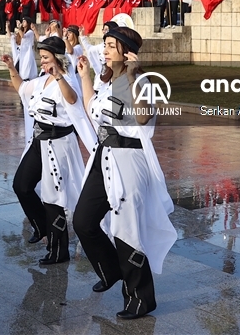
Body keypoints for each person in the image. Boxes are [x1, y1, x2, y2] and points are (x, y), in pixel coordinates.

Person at [73, 27, 177, 320]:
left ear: (126, 51)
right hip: (102, 157)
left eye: (110, 46)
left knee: (126, 230)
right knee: (83, 220)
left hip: (129, 161)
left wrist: (132, 74)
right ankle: (110, 271)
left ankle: (141, 298)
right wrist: (85, 79)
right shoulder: (108, 84)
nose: (104, 50)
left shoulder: (141, 81)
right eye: (104, 45)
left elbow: (143, 117)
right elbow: (92, 109)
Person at [1, 36, 85, 265]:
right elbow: (21, 88)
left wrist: (58, 76)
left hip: (58, 143)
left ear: (57, 59)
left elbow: (73, 98)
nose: (43, 62)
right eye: (42, 58)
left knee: (53, 198)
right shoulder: (41, 81)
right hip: (39, 141)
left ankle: (59, 251)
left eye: (47, 58)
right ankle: (41, 227)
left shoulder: (65, 81)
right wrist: (11, 68)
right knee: (21, 184)